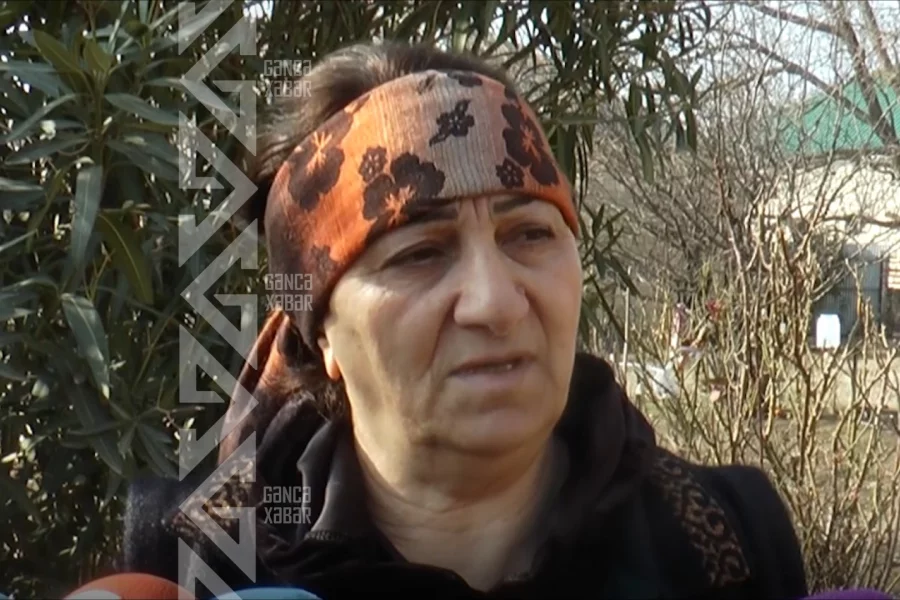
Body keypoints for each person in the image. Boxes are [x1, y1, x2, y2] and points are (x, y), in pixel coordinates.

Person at [122, 41, 809, 599]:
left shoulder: (722, 545)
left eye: (529, 235)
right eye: (420, 253)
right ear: (321, 330)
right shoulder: (200, 564)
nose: (496, 302)